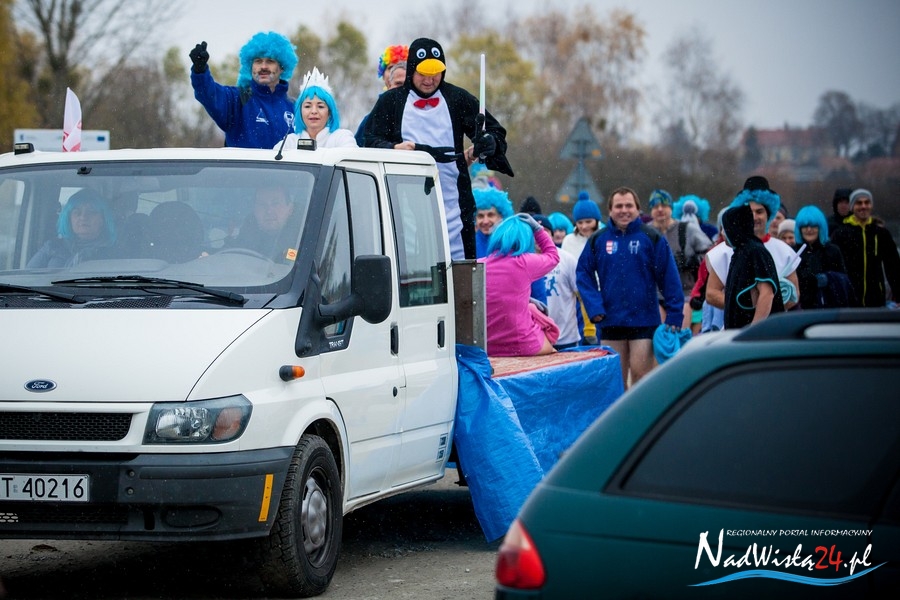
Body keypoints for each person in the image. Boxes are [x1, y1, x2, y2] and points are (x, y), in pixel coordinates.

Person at [365, 37, 513, 261]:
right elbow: (369, 140)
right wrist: (394, 148)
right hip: (403, 199)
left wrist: (489, 142)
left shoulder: (457, 98)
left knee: (460, 267)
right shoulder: (391, 101)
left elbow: (496, 132)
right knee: (411, 262)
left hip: (454, 201)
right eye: (423, 73)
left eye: (435, 73)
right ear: (412, 69)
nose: (429, 80)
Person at [576, 186, 684, 389]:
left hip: (644, 319)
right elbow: (583, 273)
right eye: (619, 206)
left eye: (629, 206)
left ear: (637, 209)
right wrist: (594, 307)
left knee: (641, 376)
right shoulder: (598, 239)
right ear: (610, 210)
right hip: (610, 319)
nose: (624, 210)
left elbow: (669, 277)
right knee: (615, 380)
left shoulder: (651, 237)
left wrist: (675, 314)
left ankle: (642, 411)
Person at [705, 178, 801, 312]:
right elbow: (711, 293)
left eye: (759, 212)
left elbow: (794, 294)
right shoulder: (725, 250)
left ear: (769, 214)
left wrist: (768, 309)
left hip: (773, 323)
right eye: (749, 212)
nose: (754, 217)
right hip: (734, 323)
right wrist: (744, 309)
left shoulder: (784, 251)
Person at [189, 32, 297, 149]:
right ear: (250, 66)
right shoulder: (237, 99)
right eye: (258, 61)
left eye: (270, 61)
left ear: (282, 67)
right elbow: (209, 94)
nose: (263, 67)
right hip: (242, 162)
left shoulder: (295, 107)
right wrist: (200, 71)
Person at [480, 213, 560, 357]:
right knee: (539, 320)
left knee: (530, 307)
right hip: (524, 344)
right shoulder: (524, 262)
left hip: (487, 346)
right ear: (526, 239)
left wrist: (525, 299)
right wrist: (538, 230)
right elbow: (553, 256)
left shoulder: (480, 265)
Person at [647, 189, 711, 331]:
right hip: (655, 293)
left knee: (679, 334)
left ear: (671, 208)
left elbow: (710, 253)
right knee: (659, 335)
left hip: (685, 291)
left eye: (664, 205)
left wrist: (692, 261)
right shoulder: (646, 232)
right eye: (655, 206)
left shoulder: (686, 229)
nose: (660, 210)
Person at [831, 188, 900, 308]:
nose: (863, 206)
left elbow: (893, 266)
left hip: (876, 298)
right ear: (852, 207)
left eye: (867, 202)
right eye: (859, 203)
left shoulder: (881, 233)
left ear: (871, 206)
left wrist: (898, 294)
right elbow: (834, 267)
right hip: (849, 298)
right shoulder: (840, 234)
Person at [720, 204, 784, 329]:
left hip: (758, 336)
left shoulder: (755, 251)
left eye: (725, 228)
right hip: (739, 334)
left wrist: (753, 330)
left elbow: (767, 293)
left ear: (735, 229)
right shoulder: (740, 252)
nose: (722, 233)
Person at [28, 189, 117, 268]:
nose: (83, 217)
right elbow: (29, 276)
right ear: (68, 218)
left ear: (103, 219)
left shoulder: (115, 252)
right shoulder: (52, 247)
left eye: (91, 212)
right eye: (77, 212)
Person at [279, 68, 357, 150]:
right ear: (300, 112)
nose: (314, 111)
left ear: (330, 112)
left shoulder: (342, 138)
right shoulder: (289, 142)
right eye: (307, 106)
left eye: (320, 106)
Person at [793, 205, 852, 310]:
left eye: (813, 226)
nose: (809, 230)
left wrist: (829, 278)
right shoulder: (793, 252)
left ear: (821, 227)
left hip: (829, 308)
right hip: (801, 309)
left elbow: (844, 280)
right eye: (805, 226)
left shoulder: (833, 251)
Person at [536, 216, 581, 350]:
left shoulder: (567, 259)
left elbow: (581, 294)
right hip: (536, 340)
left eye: (544, 232)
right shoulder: (521, 261)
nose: (538, 237)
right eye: (533, 233)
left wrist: (589, 328)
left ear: (551, 235)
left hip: (566, 338)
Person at [355, 44, 409, 146]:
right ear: (383, 75)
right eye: (391, 67)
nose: (396, 71)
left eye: (402, 66)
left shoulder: (421, 112)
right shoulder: (370, 119)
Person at [229, 187, 301, 261]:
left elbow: (301, 259)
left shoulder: (303, 236)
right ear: (254, 210)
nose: (269, 211)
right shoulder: (245, 235)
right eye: (262, 204)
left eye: (275, 204)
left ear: (290, 209)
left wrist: (284, 255)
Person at [473, 185, 514, 258]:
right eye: (480, 216)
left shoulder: (510, 242)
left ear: (501, 216)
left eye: (490, 215)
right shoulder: (469, 245)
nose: (485, 221)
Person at [561, 191, 602, 259]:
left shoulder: (604, 239)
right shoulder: (568, 241)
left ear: (597, 221)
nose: (584, 226)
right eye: (580, 222)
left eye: (588, 222)